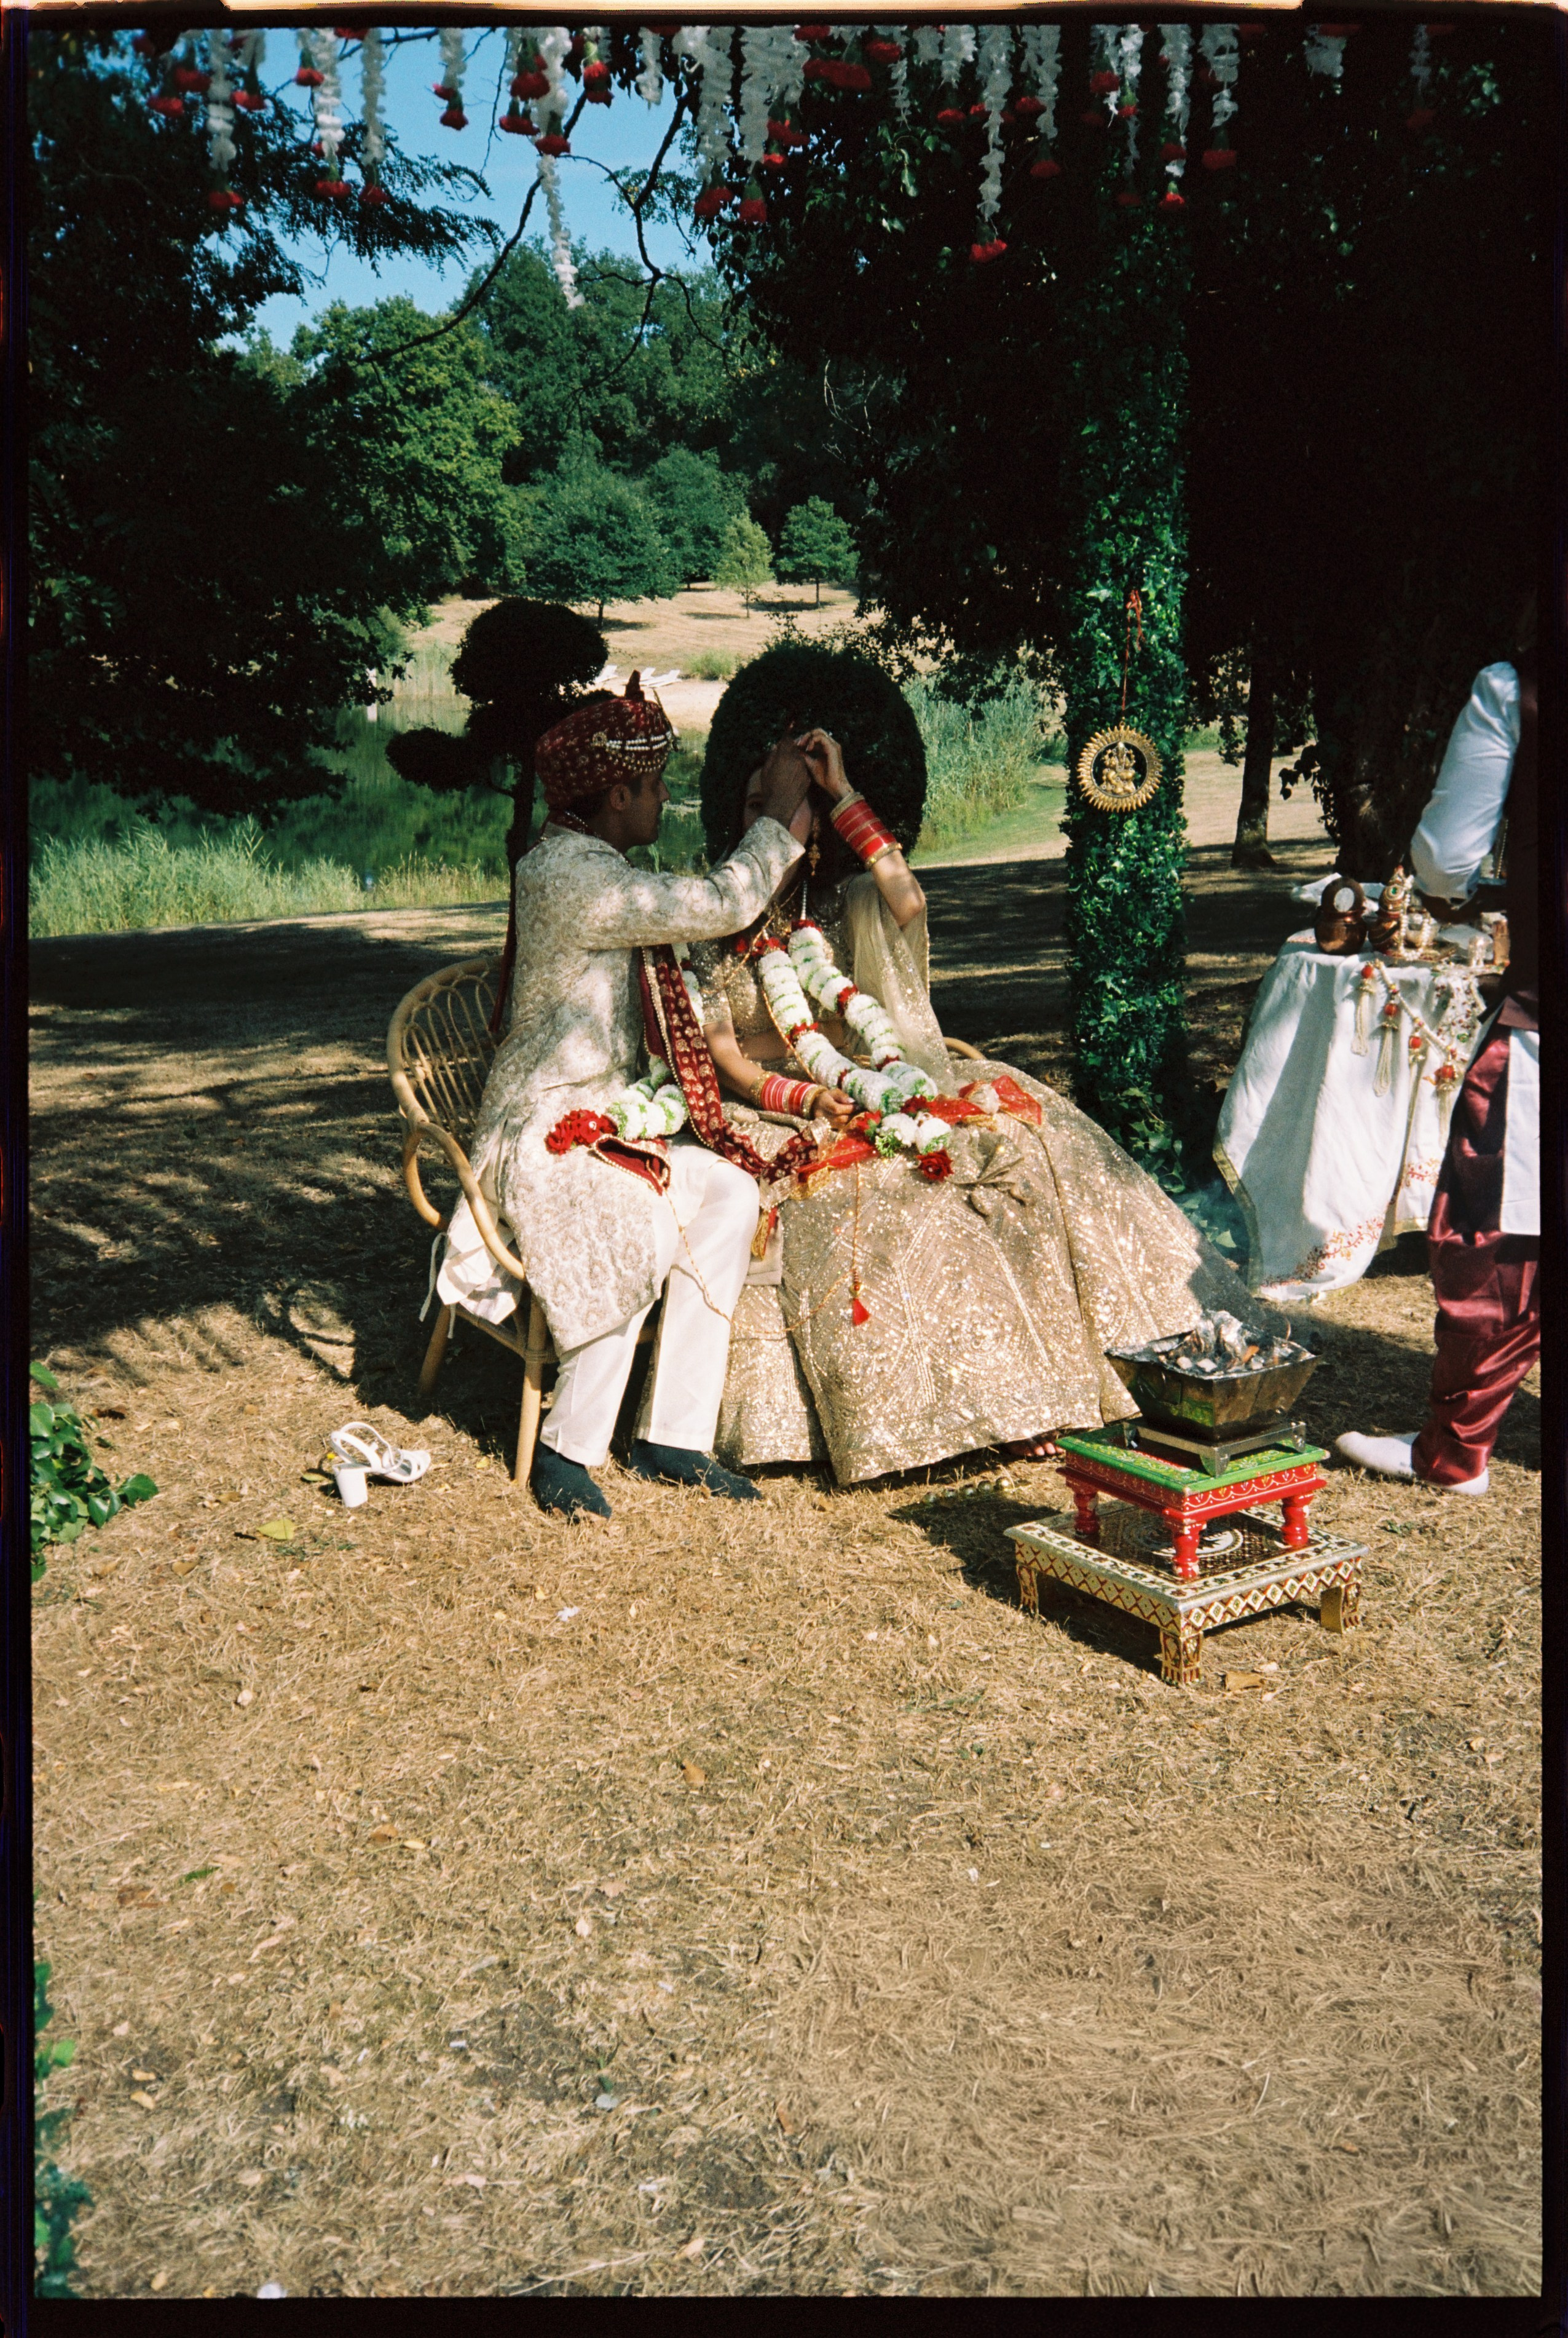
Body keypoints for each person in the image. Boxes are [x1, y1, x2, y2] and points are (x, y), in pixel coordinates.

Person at [688, 653, 1277, 1488]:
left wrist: (843, 789)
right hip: (778, 1107)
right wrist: (816, 1096)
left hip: (869, 1082)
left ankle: (1089, 1376)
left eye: (782, 811)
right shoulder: (713, 914)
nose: (765, 827)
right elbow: (727, 1060)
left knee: (1032, 1150)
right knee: (891, 1201)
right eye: (753, 811)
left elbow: (907, 900)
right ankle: (957, 1410)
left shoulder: (837, 908)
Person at [447, 673, 819, 1520]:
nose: (663, 802)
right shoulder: (574, 877)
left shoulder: (600, 861)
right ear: (618, 794)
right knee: (628, 1212)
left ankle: (672, 1438)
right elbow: (722, 902)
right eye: (655, 788)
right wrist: (782, 816)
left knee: (726, 1188)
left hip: (607, 1121)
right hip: (540, 1129)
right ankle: (568, 1447)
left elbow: (705, 912)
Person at [1338, 612, 1539, 1496]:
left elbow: (1448, 859)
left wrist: (1485, 890)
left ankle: (1456, 1452)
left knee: (1493, 1235)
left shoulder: (1516, 689)